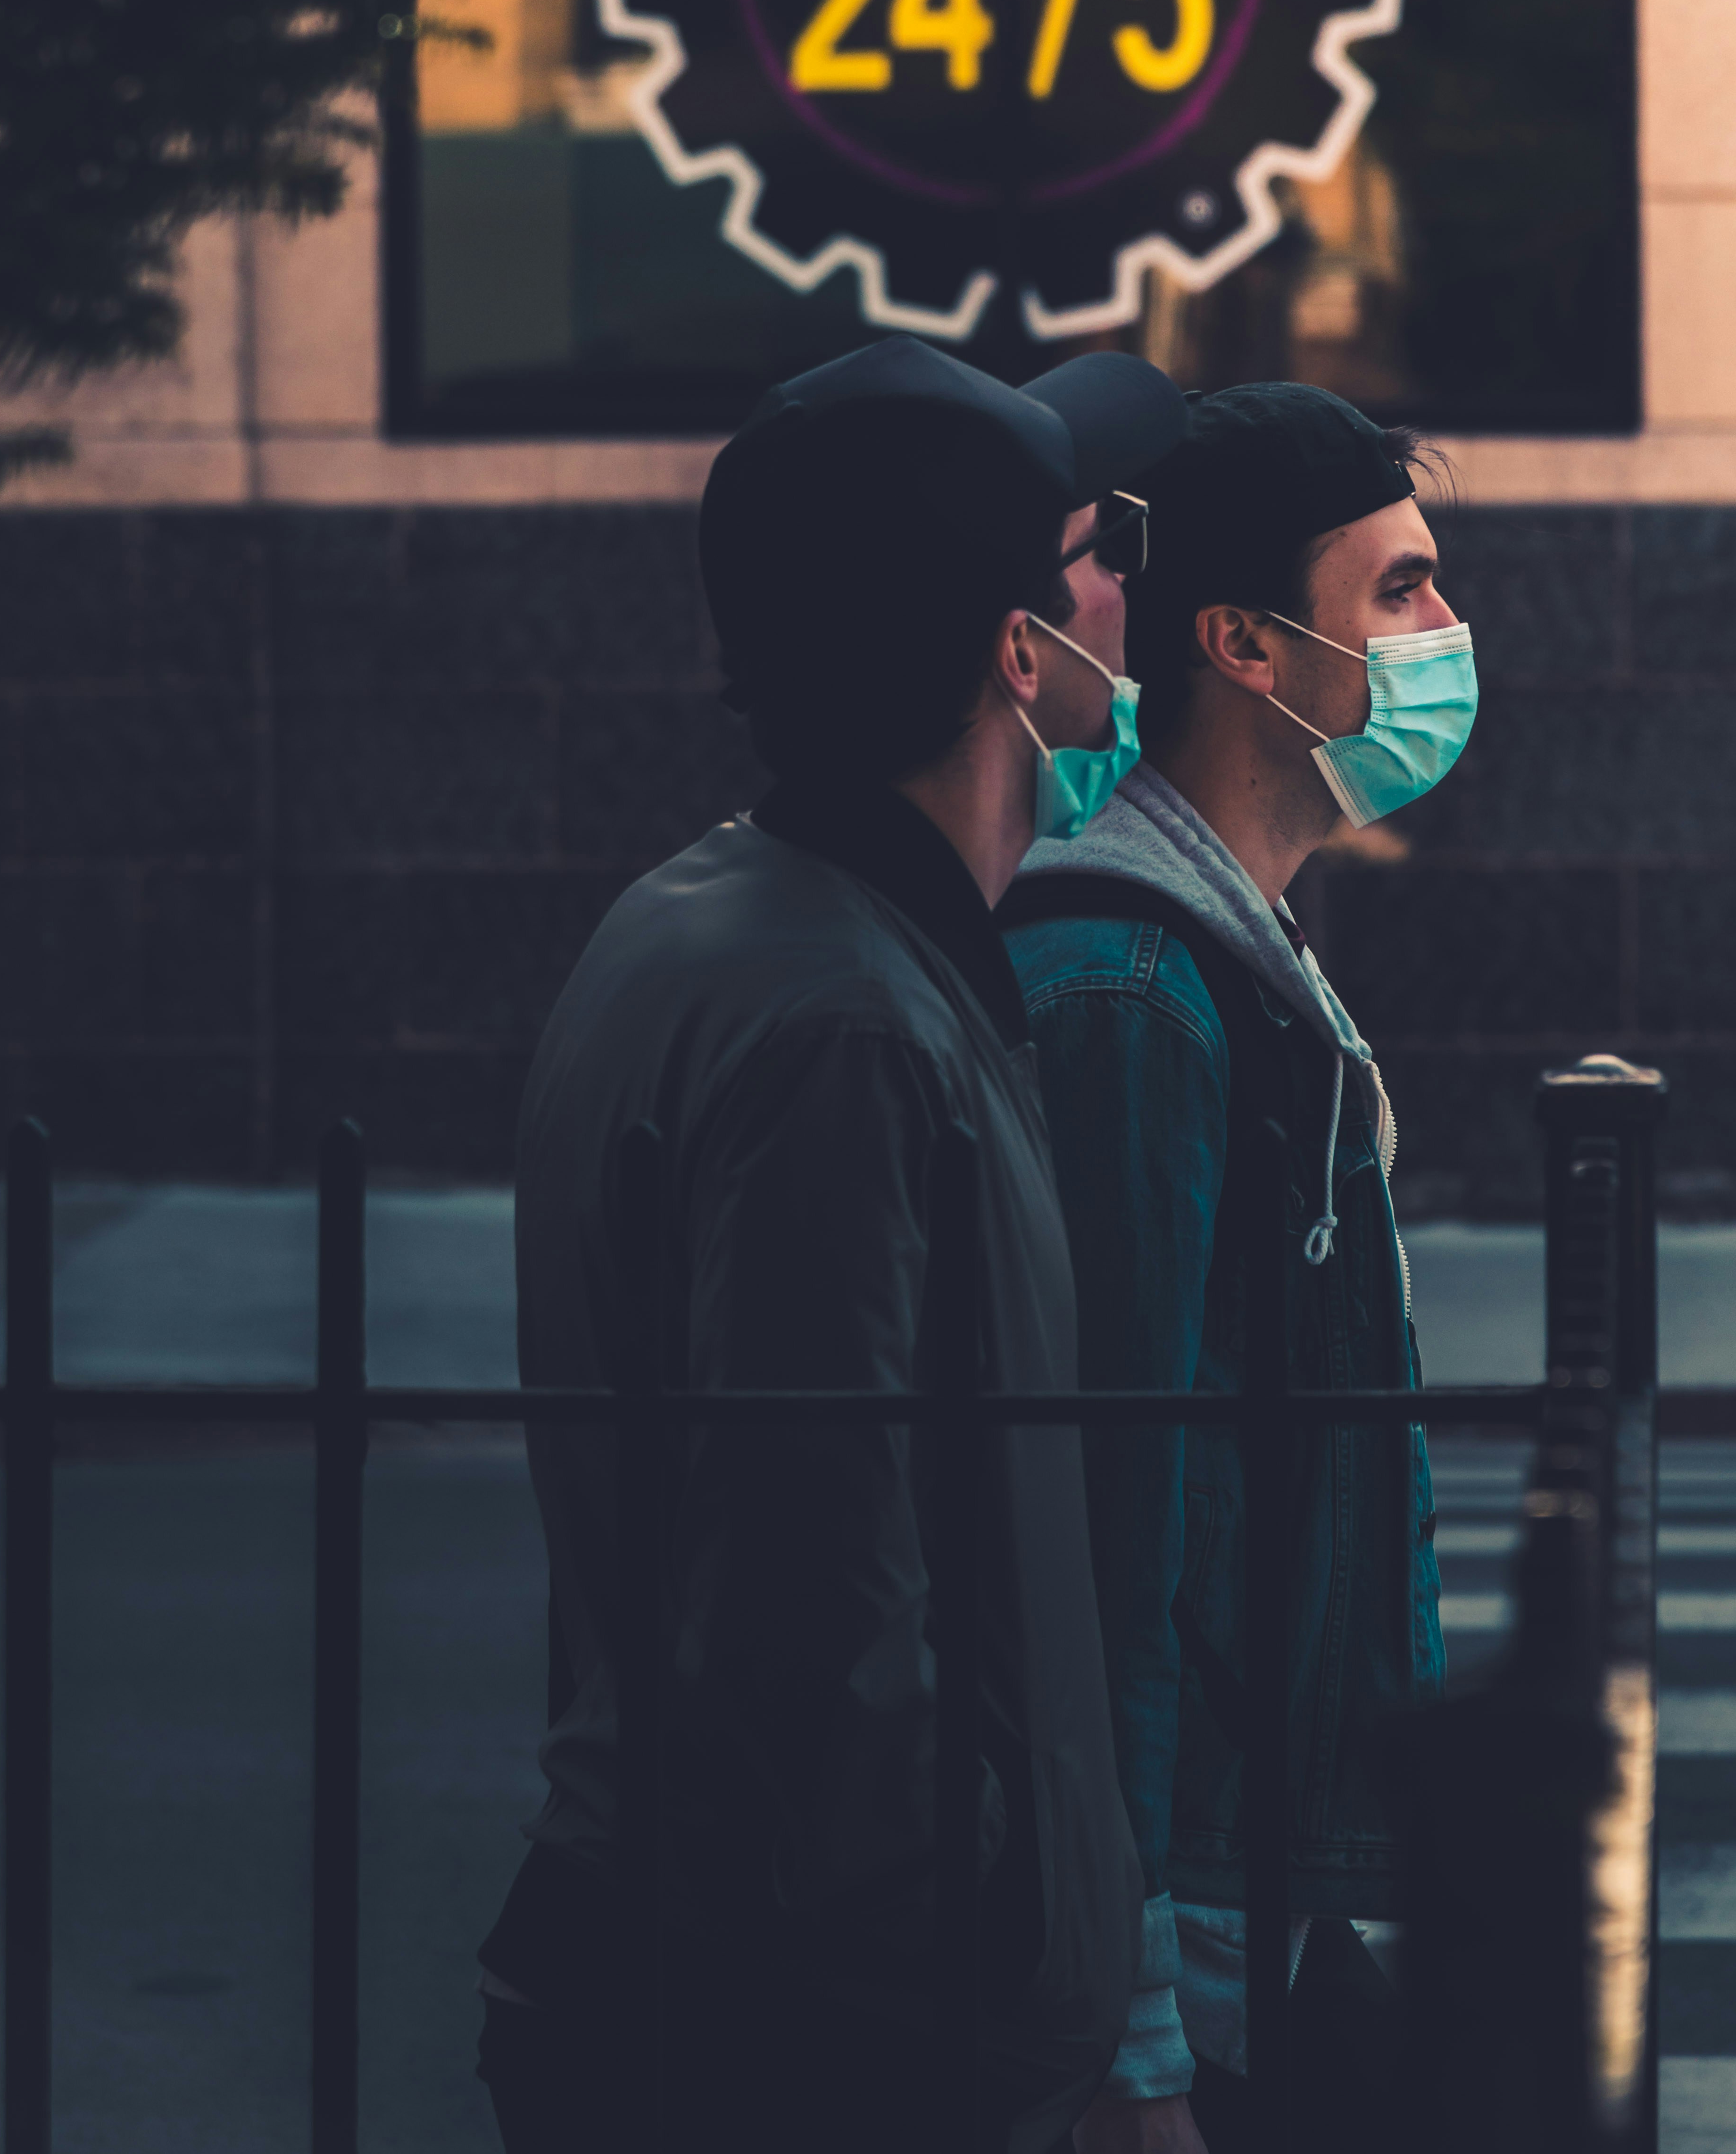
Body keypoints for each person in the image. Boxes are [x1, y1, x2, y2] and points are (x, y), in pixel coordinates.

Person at [476, 333, 1188, 2154]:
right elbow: (821, 1598)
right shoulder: (843, 1025)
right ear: (1020, 651)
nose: (1134, 591)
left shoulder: (723, 923)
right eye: (1096, 556)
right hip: (820, 2033)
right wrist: (962, 1972)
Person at [1000, 383, 1475, 2154]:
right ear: (1245, 647)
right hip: (1196, 1910)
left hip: (1264, 1873)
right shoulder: (1132, 985)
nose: (1446, 638)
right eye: (1405, 591)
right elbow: (1113, 1512)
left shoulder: (1228, 941)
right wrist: (1133, 2027)